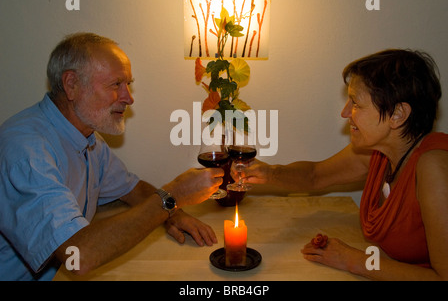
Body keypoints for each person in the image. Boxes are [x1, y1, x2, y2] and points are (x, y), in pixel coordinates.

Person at [0, 33, 224, 281]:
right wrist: (172, 197)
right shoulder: (26, 151)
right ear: (71, 84)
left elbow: (131, 188)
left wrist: (173, 213)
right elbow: (78, 257)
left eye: (128, 84)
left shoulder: (88, 139)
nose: (129, 97)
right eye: (116, 84)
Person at [238, 49, 448, 280]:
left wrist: (354, 260)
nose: (345, 112)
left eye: (356, 103)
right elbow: (315, 176)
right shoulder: (379, 152)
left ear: (397, 114)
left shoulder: (434, 167)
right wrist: (268, 173)